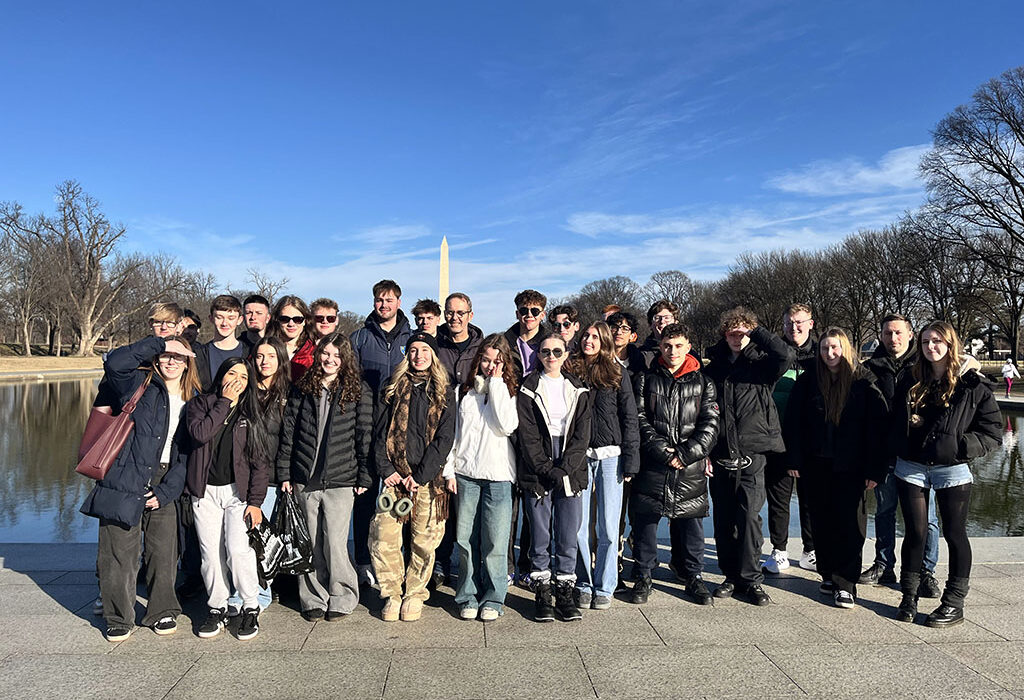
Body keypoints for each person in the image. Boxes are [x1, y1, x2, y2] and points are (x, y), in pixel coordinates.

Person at [80, 334, 200, 642]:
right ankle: (118, 617)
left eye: (179, 356)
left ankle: (161, 611)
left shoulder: (194, 398)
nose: (171, 361)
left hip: (165, 480)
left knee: (163, 553)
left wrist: (166, 492)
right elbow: (116, 362)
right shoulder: (137, 384)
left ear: (188, 363)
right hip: (125, 476)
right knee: (118, 553)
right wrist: (159, 343)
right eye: (167, 355)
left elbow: (189, 452)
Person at [889, 321, 1001, 627]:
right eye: (925, 342)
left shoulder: (972, 384)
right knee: (915, 533)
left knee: (954, 534)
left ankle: (953, 603)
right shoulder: (910, 379)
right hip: (911, 466)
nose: (930, 347)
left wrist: (960, 446)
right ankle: (908, 596)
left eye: (937, 341)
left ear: (950, 344)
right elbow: (893, 420)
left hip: (952, 468)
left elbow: (992, 432)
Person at [784, 328, 888, 609]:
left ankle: (846, 582)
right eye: (825, 348)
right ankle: (828, 573)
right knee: (821, 521)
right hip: (815, 463)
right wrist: (793, 459)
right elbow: (793, 423)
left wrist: (874, 469)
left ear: (846, 349)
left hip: (851, 465)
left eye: (835, 348)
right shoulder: (808, 381)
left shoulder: (862, 381)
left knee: (850, 524)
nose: (830, 354)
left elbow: (875, 429)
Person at [277, 332, 373, 621]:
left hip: (341, 478)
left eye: (336, 355)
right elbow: (289, 433)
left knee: (335, 541)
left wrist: (364, 477)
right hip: (304, 477)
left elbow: (365, 435)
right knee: (310, 542)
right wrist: (285, 472)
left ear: (345, 360)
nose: (330, 360)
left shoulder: (358, 390)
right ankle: (313, 597)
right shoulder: (303, 388)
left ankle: (342, 594)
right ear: (318, 355)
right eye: (325, 354)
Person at [704, 307, 792, 606]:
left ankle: (752, 578)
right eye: (731, 331)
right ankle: (731, 575)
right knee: (724, 517)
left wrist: (756, 330)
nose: (736, 335)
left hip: (753, 450)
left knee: (749, 516)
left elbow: (786, 356)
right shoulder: (713, 367)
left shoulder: (762, 364)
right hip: (720, 450)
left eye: (742, 331)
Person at [629, 323, 719, 605]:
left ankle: (693, 576)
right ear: (660, 346)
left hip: (689, 467)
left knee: (692, 525)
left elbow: (710, 424)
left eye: (679, 346)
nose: (672, 351)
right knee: (645, 522)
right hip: (654, 463)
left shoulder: (704, 382)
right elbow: (639, 419)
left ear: (688, 346)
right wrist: (662, 451)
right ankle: (643, 573)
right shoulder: (645, 379)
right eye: (668, 346)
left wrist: (688, 453)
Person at [370, 332, 456, 622]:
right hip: (394, 481)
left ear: (433, 356)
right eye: (413, 350)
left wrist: (420, 476)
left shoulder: (444, 391)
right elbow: (379, 433)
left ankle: (415, 593)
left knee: (424, 540)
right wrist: (388, 470)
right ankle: (392, 593)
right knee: (384, 537)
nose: (418, 355)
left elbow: (445, 439)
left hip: (427, 482)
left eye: (424, 350)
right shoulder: (392, 388)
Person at [186, 357, 270, 640]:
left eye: (244, 377)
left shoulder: (251, 413)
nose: (237, 380)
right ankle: (217, 607)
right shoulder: (201, 405)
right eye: (231, 373)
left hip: (238, 493)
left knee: (237, 550)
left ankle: (249, 605)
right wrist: (223, 402)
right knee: (210, 554)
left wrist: (256, 502)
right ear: (221, 376)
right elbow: (201, 434)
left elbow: (260, 462)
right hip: (205, 491)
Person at [860, 314, 941, 598]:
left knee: (926, 517)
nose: (892, 339)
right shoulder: (870, 368)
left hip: (919, 456)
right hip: (885, 453)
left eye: (897, 333)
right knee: (884, 510)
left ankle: (926, 571)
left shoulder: (925, 366)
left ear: (910, 334)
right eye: (887, 333)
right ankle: (884, 563)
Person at [517, 335, 592, 622]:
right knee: (539, 532)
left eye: (556, 351)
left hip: (570, 466)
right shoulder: (528, 388)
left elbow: (582, 434)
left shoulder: (578, 388)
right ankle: (542, 590)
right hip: (539, 466)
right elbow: (528, 435)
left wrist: (565, 468)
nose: (550, 356)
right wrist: (546, 468)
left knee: (567, 531)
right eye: (545, 351)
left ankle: (564, 588)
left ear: (565, 354)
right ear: (539, 354)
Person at [570, 321, 640, 610]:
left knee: (610, 528)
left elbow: (630, 417)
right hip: (579, 456)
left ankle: (605, 584)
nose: (589, 340)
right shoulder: (570, 370)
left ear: (605, 341)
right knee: (580, 526)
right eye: (586, 335)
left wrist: (631, 461)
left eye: (595, 337)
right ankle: (584, 581)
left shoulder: (616, 372)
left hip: (612, 456)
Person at [450, 335, 520, 620]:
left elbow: (507, 425)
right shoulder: (463, 393)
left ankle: (493, 598)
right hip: (465, 473)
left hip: (499, 475)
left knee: (495, 541)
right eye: (486, 360)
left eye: (497, 362)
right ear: (478, 359)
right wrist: (448, 470)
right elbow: (453, 434)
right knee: (465, 539)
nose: (490, 366)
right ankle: (467, 594)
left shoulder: (510, 391)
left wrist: (497, 384)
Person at [351, 279, 413, 588]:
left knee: (400, 499)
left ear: (399, 302)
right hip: (366, 426)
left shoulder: (413, 338)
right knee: (364, 496)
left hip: (401, 430)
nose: (384, 304)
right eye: (379, 299)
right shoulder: (360, 338)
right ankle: (363, 559)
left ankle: (399, 559)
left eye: (389, 300)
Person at [225, 336, 291, 613]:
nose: (265, 362)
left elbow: (291, 438)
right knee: (241, 539)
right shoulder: (245, 392)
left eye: (271, 356)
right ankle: (240, 592)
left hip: (274, 477)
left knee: (261, 539)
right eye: (260, 356)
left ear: (280, 359)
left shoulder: (288, 394)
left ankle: (260, 595)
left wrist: (287, 474)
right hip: (242, 475)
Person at [433, 292, 485, 586]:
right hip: (439, 427)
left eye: (460, 313)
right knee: (442, 503)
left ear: (470, 315)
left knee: (466, 505)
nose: (454, 318)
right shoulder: (435, 344)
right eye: (450, 312)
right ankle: (440, 560)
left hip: (470, 431)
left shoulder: (481, 346)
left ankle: (467, 564)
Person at [763, 303, 817, 575]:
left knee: (810, 498)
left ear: (811, 323)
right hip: (777, 438)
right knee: (779, 497)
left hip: (811, 440)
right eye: (787, 324)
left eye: (798, 322)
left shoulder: (822, 354)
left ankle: (810, 550)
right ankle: (779, 549)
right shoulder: (772, 354)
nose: (793, 328)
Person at [503, 289, 551, 587]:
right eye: (524, 310)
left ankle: (531, 564)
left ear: (542, 313)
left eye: (534, 311)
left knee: (535, 503)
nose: (529, 316)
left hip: (540, 428)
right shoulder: (505, 342)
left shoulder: (551, 344)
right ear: (517, 312)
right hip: (509, 427)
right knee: (508, 504)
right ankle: (507, 564)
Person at [194, 295, 246, 392]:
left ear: (239, 320)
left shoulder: (249, 353)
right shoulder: (199, 355)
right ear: (211, 318)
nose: (224, 323)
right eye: (219, 317)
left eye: (231, 318)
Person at [270, 295, 316, 382]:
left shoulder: (315, 352)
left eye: (297, 319)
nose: (291, 324)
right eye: (284, 319)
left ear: (305, 321)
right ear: (277, 320)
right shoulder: (264, 348)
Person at [639, 300, 679, 369]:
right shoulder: (639, 355)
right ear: (650, 324)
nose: (662, 321)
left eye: (667, 318)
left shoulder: (687, 354)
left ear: (676, 322)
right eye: (657, 318)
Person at [606, 310, 646, 381]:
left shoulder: (639, 361)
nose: (619, 332)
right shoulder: (601, 358)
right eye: (615, 327)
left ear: (632, 336)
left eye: (625, 329)